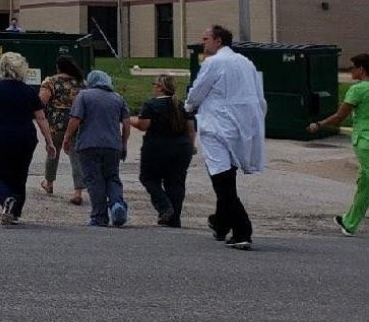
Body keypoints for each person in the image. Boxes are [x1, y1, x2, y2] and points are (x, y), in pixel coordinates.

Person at [184, 25, 265, 251]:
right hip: (243, 127)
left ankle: (242, 230)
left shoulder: (213, 63)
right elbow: (259, 96)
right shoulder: (246, 63)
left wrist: (188, 106)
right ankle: (220, 223)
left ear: (218, 41)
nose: (203, 42)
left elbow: (198, 91)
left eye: (206, 38)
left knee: (221, 181)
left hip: (217, 126)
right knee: (227, 177)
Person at [0, 52, 57, 225]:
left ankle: (6, 199)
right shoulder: (29, 92)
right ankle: (14, 212)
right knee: (19, 175)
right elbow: (41, 118)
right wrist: (49, 142)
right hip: (24, 137)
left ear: (2, 68)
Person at [308, 53, 369, 237]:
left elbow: (339, 116)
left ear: (362, 70)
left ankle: (350, 222)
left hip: (364, 141)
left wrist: (319, 125)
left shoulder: (358, 90)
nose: (351, 71)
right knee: (364, 183)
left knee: (367, 180)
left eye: (353, 67)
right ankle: (349, 222)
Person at [64, 70, 131, 227]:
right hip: (113, 145)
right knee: (112, 177)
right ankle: (116, 203)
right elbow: (126, 124)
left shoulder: (84, 96)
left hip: (89, 145)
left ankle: (99, 216)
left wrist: (67, 137)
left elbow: (75, 119)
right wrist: (124, 143)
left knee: (94, 180)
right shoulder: (118, 98)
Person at [131, 74, 195, 227]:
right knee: (176, 183)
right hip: (182, 148)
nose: (153, 88)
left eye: (154, 84)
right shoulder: (182, 105)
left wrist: (129, 120)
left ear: (160, 87)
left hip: (157, 147)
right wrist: (191, 147)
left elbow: (143, 125)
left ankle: (164, 206)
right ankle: (174, 218)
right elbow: (191, 129)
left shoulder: (152, 105)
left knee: (148, 178)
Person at [39, 55, 86, 206]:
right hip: (76, 123)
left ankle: (49, 183)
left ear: (58, 67)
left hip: (55, 124)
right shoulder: (81, 82)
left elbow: (41, 102)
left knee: (53, 152)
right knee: (76, 157)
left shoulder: (50, 82)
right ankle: (78, 191)